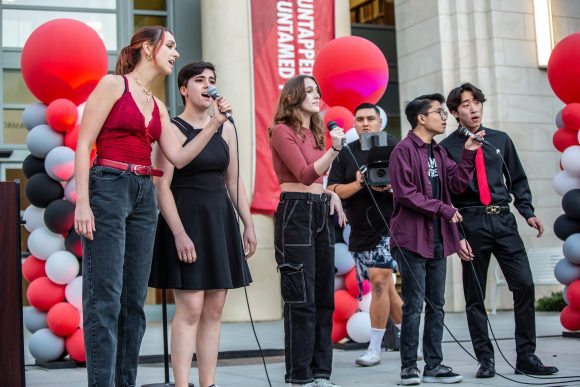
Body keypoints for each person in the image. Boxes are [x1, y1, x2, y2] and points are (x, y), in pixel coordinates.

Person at [74, 27, 231, 387]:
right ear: (148, 48)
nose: (176, 53)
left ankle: (125, 382)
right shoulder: (114, 86)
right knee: (106, 299)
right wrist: (83, 202)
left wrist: (215, 126)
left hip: (145, 192)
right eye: (171, 46)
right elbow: (84, 146)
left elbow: (178, 155)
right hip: (109, 185)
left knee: (133, 302)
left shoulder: (159, 105)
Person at [148, 61, 256, 387]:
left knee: (215, 308)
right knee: (191, 307)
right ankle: (183, 384)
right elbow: (160, 185)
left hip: (219, 220)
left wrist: (248, 223)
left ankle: (208, 383)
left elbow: (234, 181)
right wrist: (178, 233)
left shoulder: (227, 128)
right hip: (185, 218)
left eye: (212, 80)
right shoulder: (170, 127)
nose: (208, 85)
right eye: (199, 80)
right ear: (184, 89)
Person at [440, 82, 559, 378]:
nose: (473, 108)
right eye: (465, 104)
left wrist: (527, 212)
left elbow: (516, 179)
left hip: (504, 221)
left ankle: (526, 356)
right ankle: (486, 359)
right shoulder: (446, 149)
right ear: (455, 112)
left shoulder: (500, 140)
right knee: (475, 295)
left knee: (525, 285)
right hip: (470, 223)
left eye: (476, 102)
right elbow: (446, 195)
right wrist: (456, 237)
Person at [389, 93, 483, 385]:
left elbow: (455, 184)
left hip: (438, 238)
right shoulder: (403, 150)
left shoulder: (440, 153)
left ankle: (434, 365)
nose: (445, 117)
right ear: (421, 118)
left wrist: (468, 153)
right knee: (414, 304)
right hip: (411, 238)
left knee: (437, 304)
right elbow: (405, 193)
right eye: (439, 112)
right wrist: (443, 208)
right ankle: (408, 368)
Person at [269, 74, 347, 387]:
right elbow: (303, 174)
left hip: (318, 211)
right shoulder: (282, 131)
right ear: (294, 96)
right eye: (310, 90)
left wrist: (332, 193)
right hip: (296, 213)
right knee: (300, 297)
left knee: (324, 296)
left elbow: (317, 183)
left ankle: (321, 372)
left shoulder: (315, 134)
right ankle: (299, 375)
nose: (317, 95)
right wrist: (335, 150)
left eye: (318, 90)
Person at [326, 103, 403, 367]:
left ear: (380, 122)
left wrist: (394, 186)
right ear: (355, 123)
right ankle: (408, 338)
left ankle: (375, 348)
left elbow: (413, 183)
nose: (366, 123)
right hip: (359, 231)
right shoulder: (346, 153)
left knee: (379, 283)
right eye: (360, 119)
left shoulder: (394, 147)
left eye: (371, 118)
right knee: (388, 288)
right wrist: (358, 183)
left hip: (389, 227)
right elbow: (333, 189)